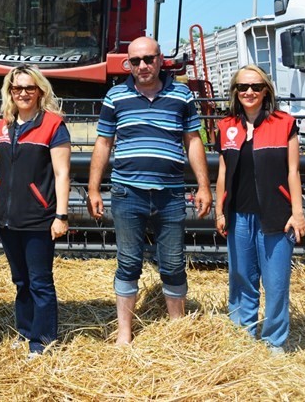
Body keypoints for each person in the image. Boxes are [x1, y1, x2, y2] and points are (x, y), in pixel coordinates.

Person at [87, 36, 212, 345]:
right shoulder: (115, 96)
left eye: (149, 59)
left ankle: (176, 331)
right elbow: (103, 144)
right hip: (128, 193)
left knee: (172, 263)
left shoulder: (181, 95)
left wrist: (204, 185)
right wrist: (93, 189)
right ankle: (125, 333)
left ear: (160, 60)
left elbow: (193, 140)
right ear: (128, 64)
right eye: (136, 61)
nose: (142, 66)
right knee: (128, 262)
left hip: (170, 194)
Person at [215, 64, 305, 353]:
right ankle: (242, 335)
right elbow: (222, 173)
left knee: (276, 282)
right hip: (239, 215)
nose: (249, 92)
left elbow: (293, 172)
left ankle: (274, 342)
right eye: (243, 87)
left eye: (255, 86)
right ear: (235, 92)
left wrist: (298, 211)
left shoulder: (284, 123)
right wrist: (220, 210)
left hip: (277, 216)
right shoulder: (226, 126)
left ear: (266, 90)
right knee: (241, 278)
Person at [0, 65, 71, 358]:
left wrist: (61, 215)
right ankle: (24, 331)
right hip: (7, 218)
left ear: (40, 91)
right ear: (10, 91)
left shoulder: (53, 125)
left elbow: (62, 173)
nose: (23, 93)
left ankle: (43, 339)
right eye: (17, 88)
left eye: (29, 88)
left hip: (38, 218)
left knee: (40, 281)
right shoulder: (2, 125)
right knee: (20, 281)